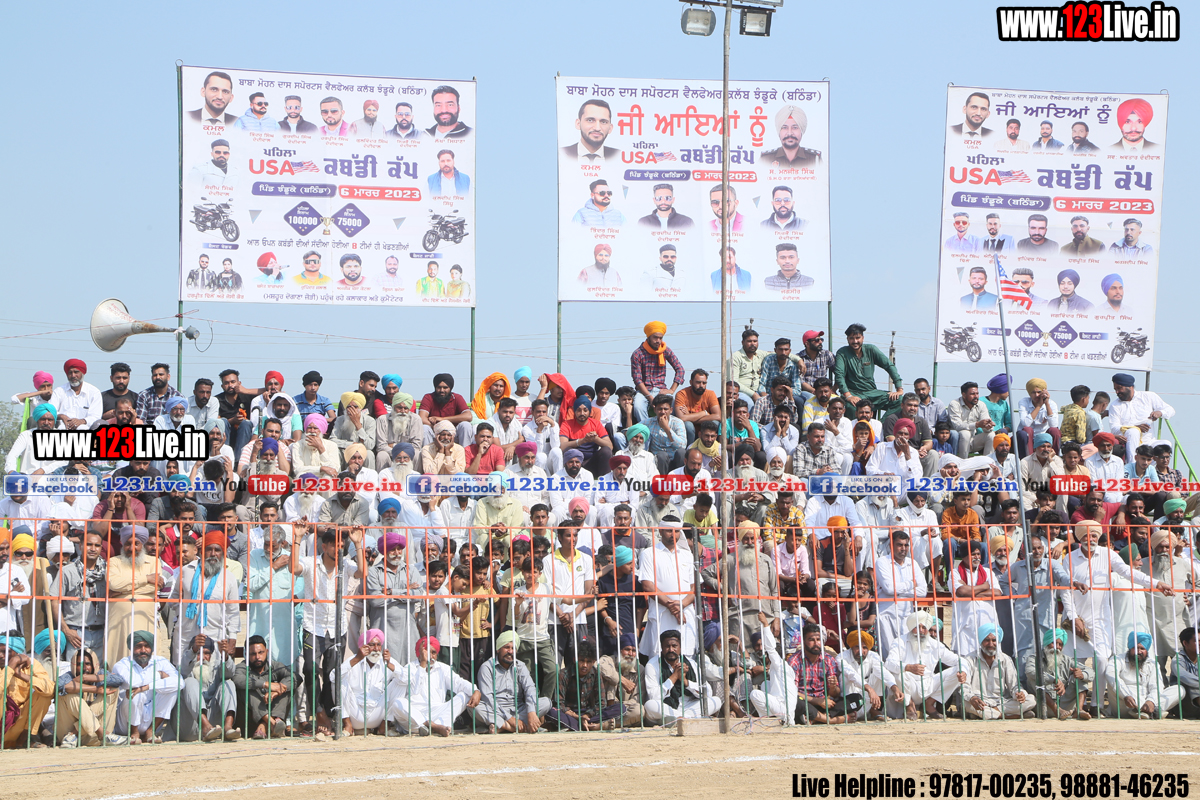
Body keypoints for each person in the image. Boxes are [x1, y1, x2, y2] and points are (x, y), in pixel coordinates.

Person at [1066, 520, 1172, 716]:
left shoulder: (1107, 554)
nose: (1091, 539)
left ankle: (1096, 705)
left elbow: (1128, 572)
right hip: (1076, 619)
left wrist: (1156, 583)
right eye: (1087, 535)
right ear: (1080, 538)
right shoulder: (1070, 558)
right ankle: (1074, 707)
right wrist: (1073, 617)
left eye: (1094, 535)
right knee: (1073, 664)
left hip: (1100, 619)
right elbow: (1065, 589)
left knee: (1101, 660)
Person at [883, 611, 965, 720]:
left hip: (928, 686)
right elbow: (889, 663)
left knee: (958, 670)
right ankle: (909, 705)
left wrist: (963, 671)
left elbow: (958, 660)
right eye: (917, 627)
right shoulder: (900, 641)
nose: (921, 631)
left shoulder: (935, 644)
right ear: (911, 627)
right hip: (907, 687)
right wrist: (908, 667)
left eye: (924, 627)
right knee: (896, 672)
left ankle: (929, 704)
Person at [391, 636, 480, 736]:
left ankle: (437, 726)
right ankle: (434, 727)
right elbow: (415, 691)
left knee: (465, 695)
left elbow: (458, 683)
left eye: (433, 653)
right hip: (414, 718)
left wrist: (475, 690)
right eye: (426, 652)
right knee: (397, 703)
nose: (430, 656)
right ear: (419, 653)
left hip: (437, 713)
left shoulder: (443, 668)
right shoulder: (409, 667)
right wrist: (423, 664)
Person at [471, 630, 549, 733]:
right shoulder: (487, 667)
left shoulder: (520, 666)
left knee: (546, 702)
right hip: (495, 711)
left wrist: (531, 711)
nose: (510, 651)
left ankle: (500, 726)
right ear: (498, 649)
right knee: (474, 707)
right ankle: (510, 727)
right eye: (507, 647)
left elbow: (530, 688)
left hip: (519, 710)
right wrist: (510, 719)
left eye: (513, 648)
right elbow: (488, 699)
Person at [110, 631, 180, 744]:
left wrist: (147, 687)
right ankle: (134, 732)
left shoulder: (161, 661)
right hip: (125, 722)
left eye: (147, 646)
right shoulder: (122, 665)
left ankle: (150, 731)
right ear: (131, 648)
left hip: (151, 717)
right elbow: (132, 682)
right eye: (138, 646)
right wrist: (159, 675)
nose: (143, 650)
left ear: (151, 648)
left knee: (172, 690)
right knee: (136, 693)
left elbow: (179, 683)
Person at [53, 646, 125, 747]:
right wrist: (95, 689)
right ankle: (101, 734)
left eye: (87, 664)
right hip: (68, 738)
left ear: (93, 664)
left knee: (112, 689)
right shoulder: (69, 676)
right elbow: (59, 685)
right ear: (74, 665)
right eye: (79, 664)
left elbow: (118, 680)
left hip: (94, 737)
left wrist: (86, 677)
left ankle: (75, 732)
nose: (84, 668)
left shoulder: (100, 673)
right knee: (66, 694)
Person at [339, 628, 403, 735]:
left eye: (379, 645)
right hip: (355, 714)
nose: (376, 649)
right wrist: (357, 659)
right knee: (339, 681)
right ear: (363, 646)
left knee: (400, 683)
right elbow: (333, 677)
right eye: (372, 645)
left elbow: (407, 679)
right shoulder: (354, 660)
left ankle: (384, 726)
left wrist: (390, 665)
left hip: (377, 715)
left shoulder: (386, 660)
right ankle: (347, 725)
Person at [962, 625, 1035, 719]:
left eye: (994, 640)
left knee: (1031, 700)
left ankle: (988, 713)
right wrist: (972, 698)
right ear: (981, 641)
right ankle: (1009, 716)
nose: (991, 644)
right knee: (966, 703)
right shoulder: (970, 659)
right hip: (979, 701)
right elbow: (964, 686)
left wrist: (1019, 694)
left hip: (1001, 702)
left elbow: (1014, 686)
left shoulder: (1005, 659)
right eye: (987, 640)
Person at [644, 629, 714, 725]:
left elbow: (708, 692)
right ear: (662, 648)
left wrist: (685, 681)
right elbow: (654, 696)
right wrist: (674, 676)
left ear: (680, 647)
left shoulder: (691, 663)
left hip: (689, 706)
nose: (671, 650)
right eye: (667, 646)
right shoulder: (652, 665)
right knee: (650, 705)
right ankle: (688, 719)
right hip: (666, 706)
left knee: (715, 701)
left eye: (674, 646)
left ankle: (677, 719)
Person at [874, 532, 927, 659]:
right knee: (889, 656)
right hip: (887, 616)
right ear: (891, 546)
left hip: (907, 616)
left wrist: (898, 591)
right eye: (899, 545)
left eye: (906, 545)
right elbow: (889, 588)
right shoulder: (882, 562)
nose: (903, 548)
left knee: (907, 655)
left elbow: (923, 592)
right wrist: (911, 584)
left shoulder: (913, 563)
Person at [834, 324, 903, 419]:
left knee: (900, 401)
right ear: (847, 339)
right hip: (854, 393)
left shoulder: (871, 349)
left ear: (863, 338)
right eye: (851, 338)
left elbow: (889, 366)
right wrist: (848, 395)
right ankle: (856, 428)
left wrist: (899, 389)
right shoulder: (842, 353)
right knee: (851, 406)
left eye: (857, 338)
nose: (855, 341)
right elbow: (839, 375)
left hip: (872, 392)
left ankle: (881, 425)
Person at [1024, 628, 1093, 720]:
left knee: (1080, 675)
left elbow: (1090, 671)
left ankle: (1079, 710)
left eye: (1060, 644)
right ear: (1047, 642)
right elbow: (1030, 671)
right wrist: (1053, 680)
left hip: (1064, 704)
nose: (1057, 647)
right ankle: (1057, 710)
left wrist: (1082, 674)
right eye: (1054, 643)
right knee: (1036, 678)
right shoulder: (1034, 658)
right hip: (1044, 706)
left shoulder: (1066, 660)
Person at [1, 633, 55, 749]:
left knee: (44, 695)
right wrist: (10, 667)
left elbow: (50, 689)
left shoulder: (31, 664)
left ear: (17, 653)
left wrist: (21, 675)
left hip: (18, 724)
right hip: (2, 721)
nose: (0, 655)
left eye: (5, 652)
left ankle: (24, 739)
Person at [1107, 372, 1174, 463]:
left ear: (1130, 387)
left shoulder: (1148, 396)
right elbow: (1114, 428)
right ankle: (1132, 466)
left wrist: (1160, 412)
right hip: (1128, 444)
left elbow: (1170, 410)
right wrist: (1136, 427)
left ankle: (1148, 468)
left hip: (1149, 442)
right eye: (1115, 389)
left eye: (1119, 388)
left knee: (1166, 444)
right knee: (1133, 431)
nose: (1117, 392)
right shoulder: (1115, 405)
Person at [1115, 631, 1178, 719]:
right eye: (1135, 648)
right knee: (1125, 688)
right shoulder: (1117, 660)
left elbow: (1156, 685)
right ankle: (1152, 711)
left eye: (1142, 648)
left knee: (1179, 689)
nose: (1139, 651)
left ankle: (1148, 710)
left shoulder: (1152, 663)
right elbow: (1113, 679)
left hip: (1147, 700)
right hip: (1126, 701)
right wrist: (1126, 695)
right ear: (1130, 648)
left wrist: (1150, 700)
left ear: (1146, 650)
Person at [49, 358, 102, 430]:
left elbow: (96, 416)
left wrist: (81, 421)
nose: (73, 375)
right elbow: (51, 411)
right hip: (62, 428)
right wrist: (62, 416)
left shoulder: (94, 392)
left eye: (76, 372)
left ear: (82, 373)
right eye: (70, 373)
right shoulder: (59, 391)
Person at [1168, 627, 1200, 719]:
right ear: (1185, 643)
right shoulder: (1178, 659)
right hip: (1185, 705)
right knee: (1191, 684)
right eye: (1197, 641)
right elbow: (1183, 676)